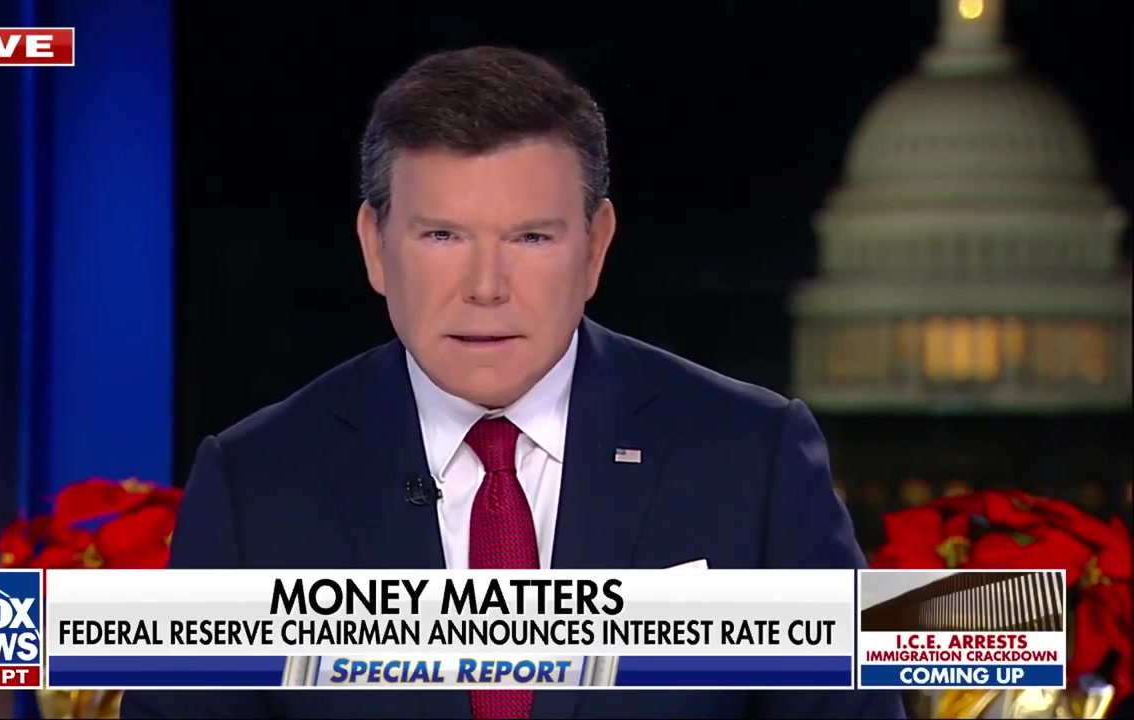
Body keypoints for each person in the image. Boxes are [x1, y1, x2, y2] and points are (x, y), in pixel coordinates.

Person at [121, 46, 905, 719]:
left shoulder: (751, 459)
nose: (486, 287)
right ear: (376, 247)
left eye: (530, 237)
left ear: (595, 247)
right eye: (442, 235)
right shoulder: (256, 483)